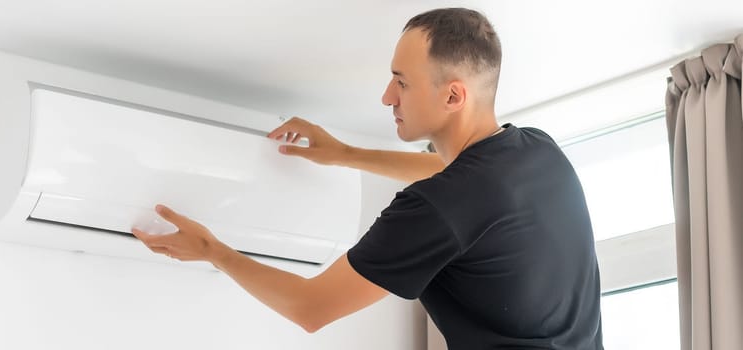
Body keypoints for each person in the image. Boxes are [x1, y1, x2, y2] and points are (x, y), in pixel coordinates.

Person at [133, 7, 603, 349]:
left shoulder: (437, 208)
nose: (385, 97)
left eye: (402, 82)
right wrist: (343, 153)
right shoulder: (538, 152)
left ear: (453, 96)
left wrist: (212, 251)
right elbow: (457, 178)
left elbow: (310, 308)